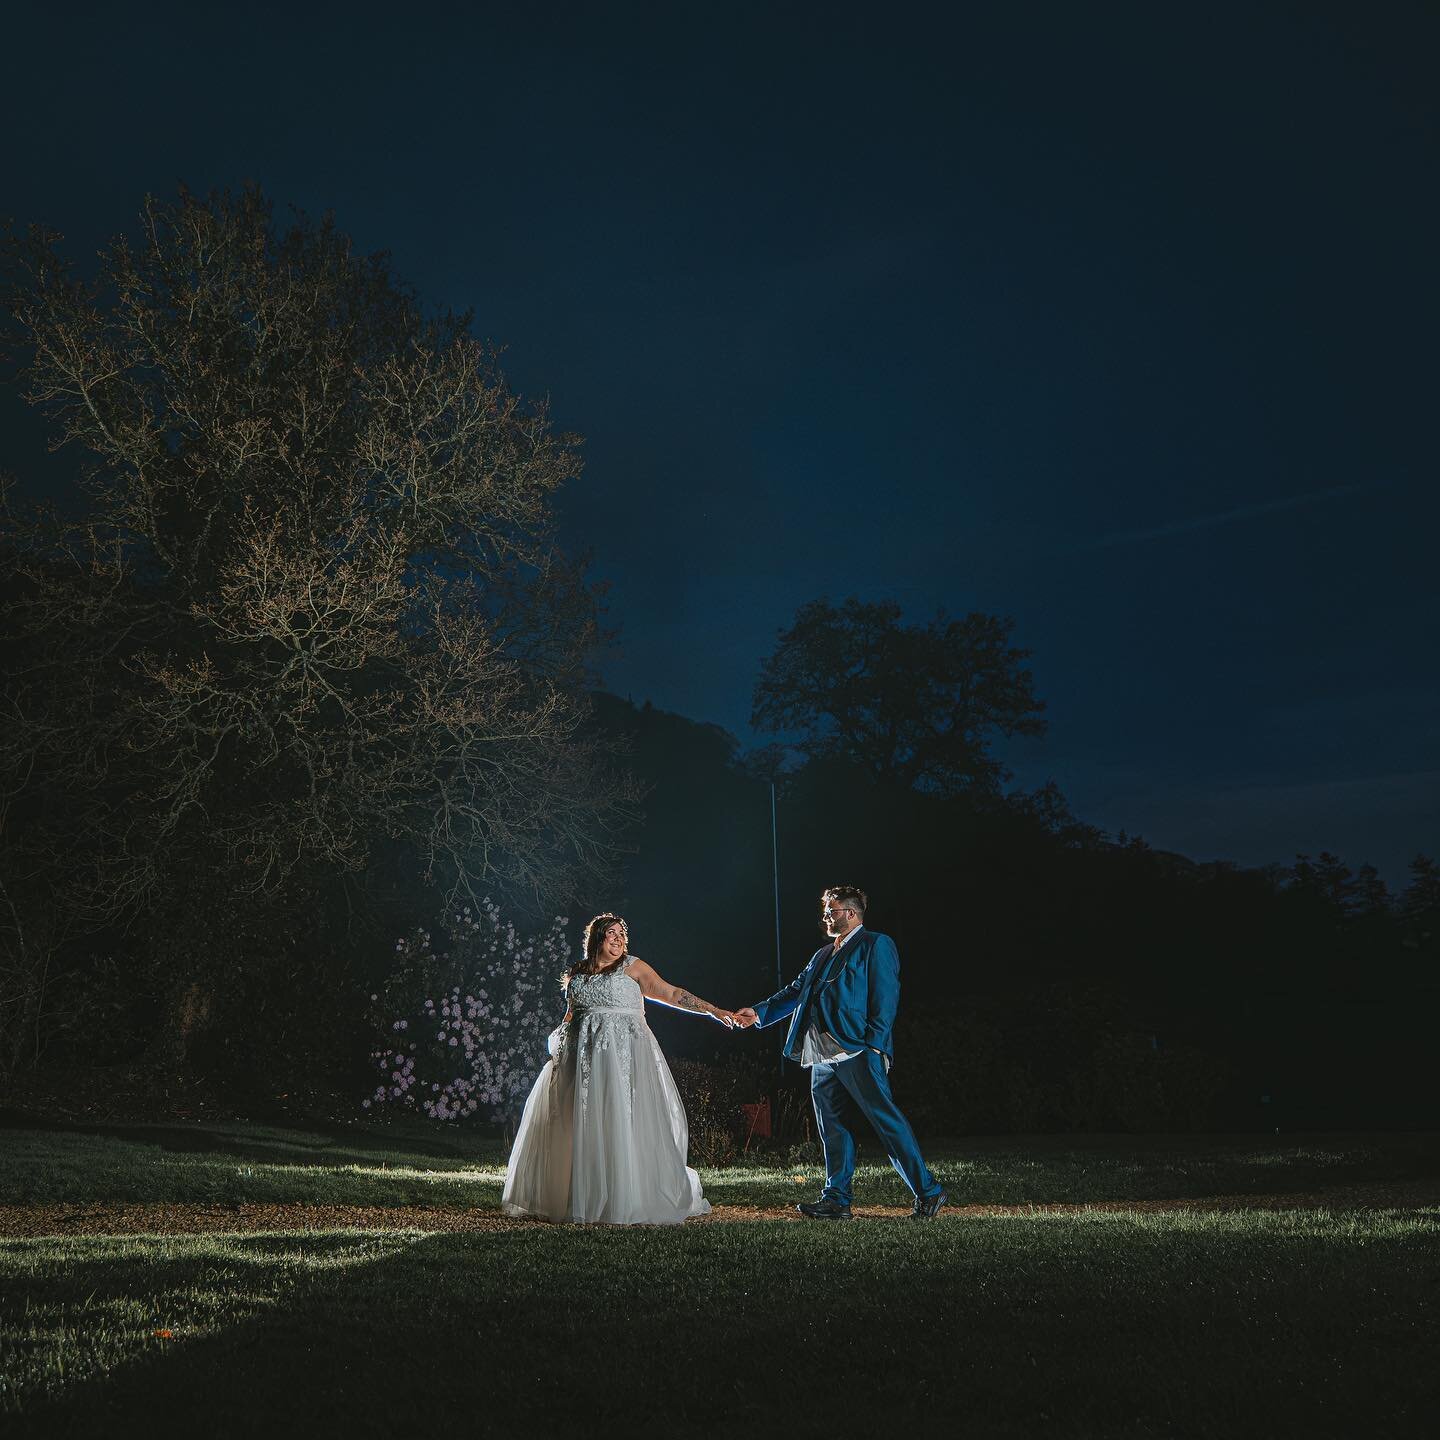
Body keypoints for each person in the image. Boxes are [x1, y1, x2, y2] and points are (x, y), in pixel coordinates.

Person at [503, 913, 739, 1224]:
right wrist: (559, 1048)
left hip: (625, 1056)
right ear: (596, 938)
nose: (618, 939)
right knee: (583, 1122)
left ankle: (626, 1196)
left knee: (622, 1119)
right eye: (611, 933)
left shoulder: (633, 967)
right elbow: (571, 1017)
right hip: (583, 1060)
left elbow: (670, 993)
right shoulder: (576, 975)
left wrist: (712, 1010)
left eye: (621, 934)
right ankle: (582, 1196)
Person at [734, 885, 946, 1220]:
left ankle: (929, 1192)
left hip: (858, 1049)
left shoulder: (876, 944)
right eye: (826, 912)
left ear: (850, 912)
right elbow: (795, 992)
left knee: (886, 1122)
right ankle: (836, 1200)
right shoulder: (821, 954)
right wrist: (758, 1013)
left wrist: (876, 1046)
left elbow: (886, 997)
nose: (826, 917)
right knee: (832, 1127)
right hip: (821, 1053)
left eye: (830, 911)